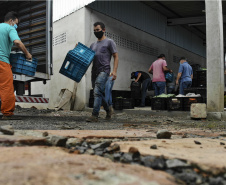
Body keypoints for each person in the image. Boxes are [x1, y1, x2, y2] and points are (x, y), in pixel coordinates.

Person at [0, 11, 32, 120]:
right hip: (2, 61)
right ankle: (7, 113)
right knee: (7, 87)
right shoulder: (10, 28)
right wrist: (27, 54)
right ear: (11, 21)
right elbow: (17, 42)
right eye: (16, 23)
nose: (16, 26)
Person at [87, 22, 119, 122]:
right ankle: (108, 109)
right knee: (98, 93)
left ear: (103, 30)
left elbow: (116, 56)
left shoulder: (109, 42)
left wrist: (114, 71)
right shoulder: (93, 45)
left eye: (98, 30)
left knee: (97, 92)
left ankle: (95, 115)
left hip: (104, 70)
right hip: (94, 71)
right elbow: (87, 58)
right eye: (95, 30)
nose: (96, 32)